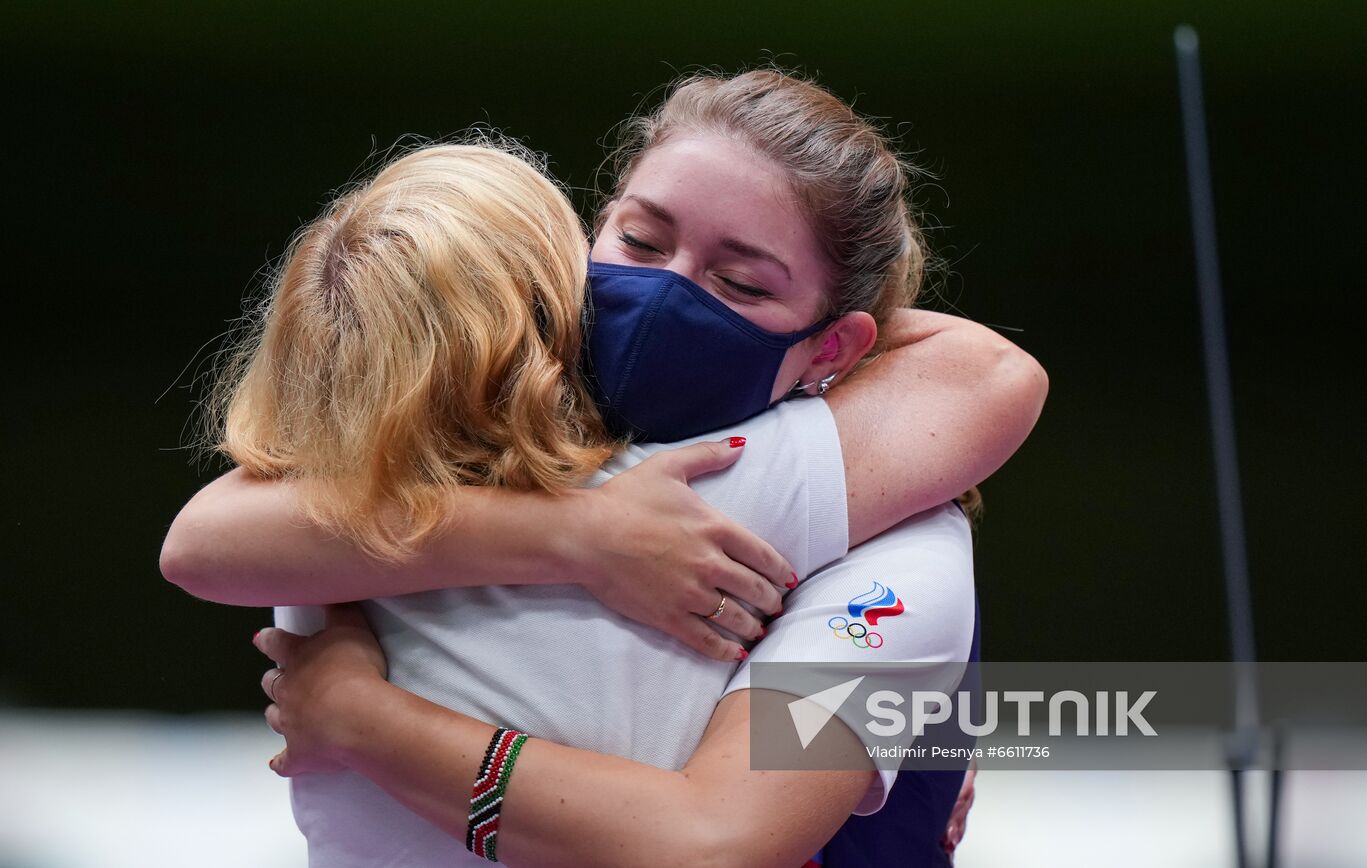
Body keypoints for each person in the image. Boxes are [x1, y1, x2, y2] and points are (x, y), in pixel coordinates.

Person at [163, 70, 1046, 866]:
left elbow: (708, 844)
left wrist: (362, 721)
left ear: (836, 343)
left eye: (742, 284)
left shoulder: (871, 537)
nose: (667, 292)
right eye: (640, 238)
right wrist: (574, 533)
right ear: (585, 240)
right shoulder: (447, 464)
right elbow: (202, 542)